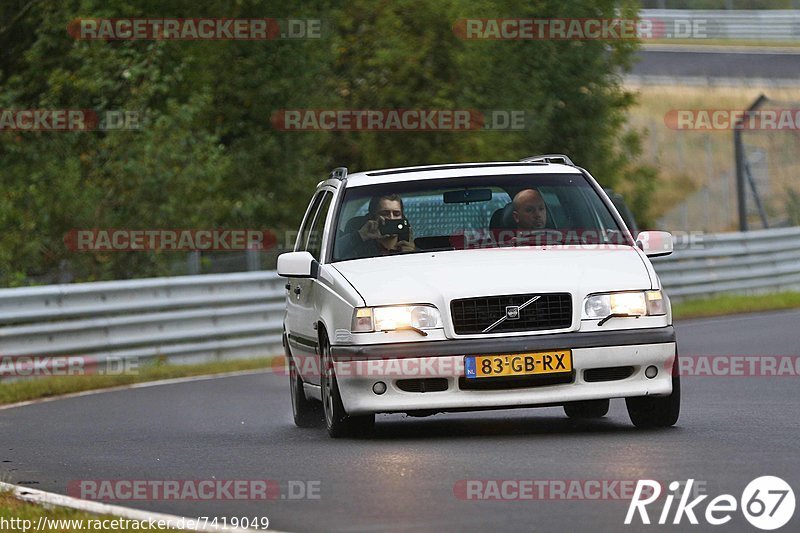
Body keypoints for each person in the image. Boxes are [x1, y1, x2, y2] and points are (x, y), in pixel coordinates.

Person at [337, 194, 415, 259]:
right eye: (385, 213)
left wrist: (413, 254)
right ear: (373, 217)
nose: (391, 218)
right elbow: (333, 253)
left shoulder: (410, 248)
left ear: (403, 217)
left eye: (396, 214)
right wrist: (360, 235)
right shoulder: (359, 251)